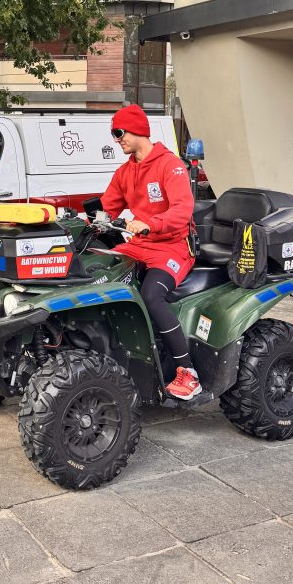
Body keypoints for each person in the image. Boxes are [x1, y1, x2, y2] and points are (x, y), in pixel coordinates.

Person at [100, 104, 201, 400]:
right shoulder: (125, 171)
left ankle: (188, 372)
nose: (116, 139)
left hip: (173, 246)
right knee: (102, 274)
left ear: (137, 130)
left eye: (119, 132)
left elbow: (182, 210)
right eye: (114, 134)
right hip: (139, 244)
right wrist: (87, 220)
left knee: (152, 295)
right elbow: (107, 206)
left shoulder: (170, 165)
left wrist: (150, 224)